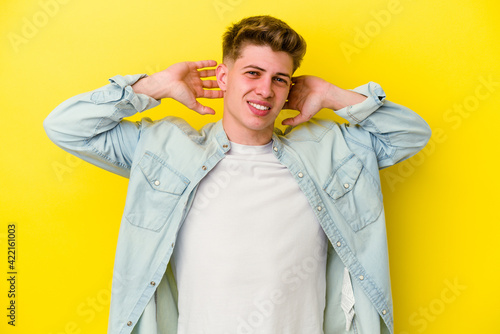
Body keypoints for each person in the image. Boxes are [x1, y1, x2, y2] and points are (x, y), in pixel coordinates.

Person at [44, 15, 431, 334]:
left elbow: (412, 135)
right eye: (253, 73)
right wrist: (153, 86)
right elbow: (66, 126)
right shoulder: (165, 151)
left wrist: (332, 94)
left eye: (279, 79)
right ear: (224, 77)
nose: (265, 90)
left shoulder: (327, 153)